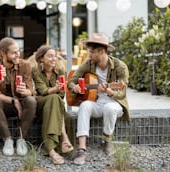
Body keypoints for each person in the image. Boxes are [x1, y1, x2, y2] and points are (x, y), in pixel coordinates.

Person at [67, 33, 130, 165]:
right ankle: (82, 149)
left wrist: (110, 91)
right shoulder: (88, 64)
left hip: (114, 102)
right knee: (84, 106)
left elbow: (122, 92)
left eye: (91, 52)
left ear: (102, 51)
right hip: (95, 101)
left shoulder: (120, 66)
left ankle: (107, 141)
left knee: (109, 108)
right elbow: (71, 80)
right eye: (88, 52)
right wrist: (75, 88)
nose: (89, 55)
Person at [0, 37, 37, 156]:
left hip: (22, 105)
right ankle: (7, 139)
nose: (18, 54)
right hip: (4, 106)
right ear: (3, 54)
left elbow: (31, 91)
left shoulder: (25, 65)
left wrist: (24, 91)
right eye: (14, 52)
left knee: (31, 101)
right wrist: (13, 101)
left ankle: (21, 139)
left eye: (18, 51)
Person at [32, 45, 75, 165]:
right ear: (41, 58)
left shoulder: (60, 72)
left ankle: (56, 149)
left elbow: (61, 95)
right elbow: (43, 91)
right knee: (53, 97)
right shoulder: (36, 72)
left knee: (67, 116)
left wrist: (58, 89)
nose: (54, 59)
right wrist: (55, 88)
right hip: (40, 105)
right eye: (50, 56)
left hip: (55, 105)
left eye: (55, 56)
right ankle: (61, 142)